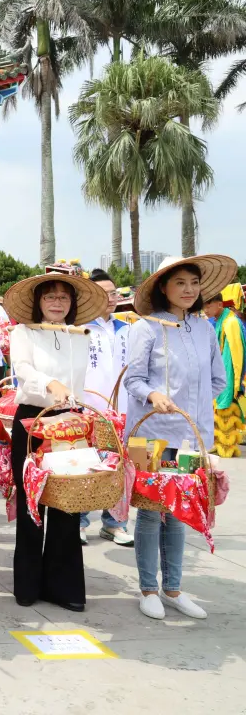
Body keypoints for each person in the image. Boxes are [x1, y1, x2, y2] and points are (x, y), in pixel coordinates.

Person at [125, 255, 234, 620]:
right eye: (180, 283)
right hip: (153, 437)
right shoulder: (146, 328)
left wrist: (197, 403)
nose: (188, 290)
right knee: (153, 512)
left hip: (192, 437)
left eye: (194, 282)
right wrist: (155, 394)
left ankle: (173, 588)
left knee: (181, 512)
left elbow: (219, 379)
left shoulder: (204, 327)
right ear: (163, 288)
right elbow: (133, 380)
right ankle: (148, 589)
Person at [4, 270, 107, 612]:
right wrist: (51, 384)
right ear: (38, 302)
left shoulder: (81, 335)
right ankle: (28, 585)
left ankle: (64, 587)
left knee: (67, 503)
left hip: (71, 423)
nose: (57, 303)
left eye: (64, 297)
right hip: (33, 420)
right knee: (33, 502)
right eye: (50, 297)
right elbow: (23, 369)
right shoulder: (23, 332)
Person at [80, 270, 134, 546]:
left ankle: (115, 523)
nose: (111, 299)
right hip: (89, 408)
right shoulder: (80, 328)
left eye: (114, 293)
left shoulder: (127, 329)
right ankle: (80, 520)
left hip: (122, 408)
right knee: (87, 466)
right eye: (104, 294)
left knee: (119, 468)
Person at [208, 285, 245, 459]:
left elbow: (232, 358)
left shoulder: (230, 322)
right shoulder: (220, 320)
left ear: (219, 304)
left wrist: (230, 384)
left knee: (225, 407)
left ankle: (227, 446)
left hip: (227, 374)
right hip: (220, 374)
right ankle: (218, 444)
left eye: (208, 306)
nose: (205, 310)